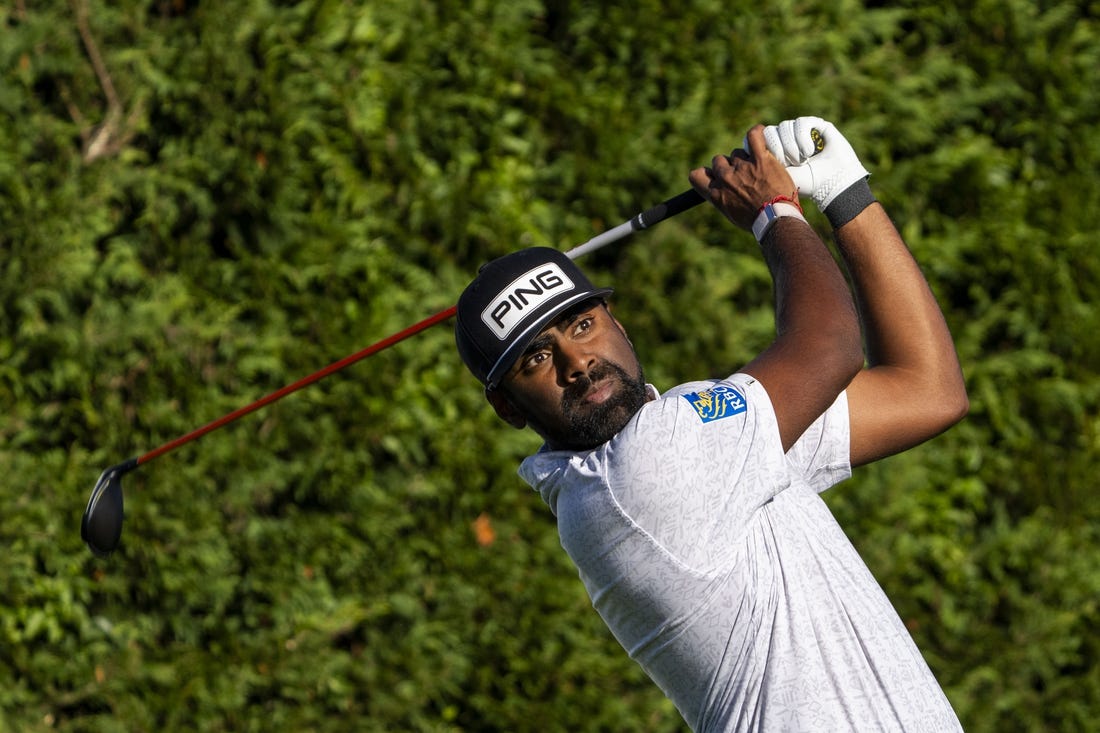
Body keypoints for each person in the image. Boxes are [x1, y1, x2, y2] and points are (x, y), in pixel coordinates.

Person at [454, 117, 969, 732]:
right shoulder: (638, 471)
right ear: (509, 409)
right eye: (537, 358)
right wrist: (774, 212)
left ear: (617, 323)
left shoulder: (718, 455)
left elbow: (927, 390)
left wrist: (846, 194)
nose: (577, 362)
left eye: (581, 325)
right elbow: (830, 348)